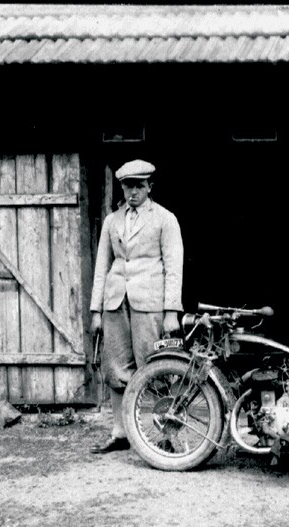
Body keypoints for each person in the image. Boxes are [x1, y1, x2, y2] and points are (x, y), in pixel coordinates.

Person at [89, 159, 184, 454]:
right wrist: (96, 310)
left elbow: (174, 266)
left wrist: (171, 311)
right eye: (128, 186)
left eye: (139, 186)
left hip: (151, 304)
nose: (133, 192)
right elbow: (102, 266)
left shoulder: (165, 219)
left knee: (157, 366)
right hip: (116, 302)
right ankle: (120, 433)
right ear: (122, 187)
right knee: (116, 367)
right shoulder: (112, 221)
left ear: (149, 187)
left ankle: (168, 434)